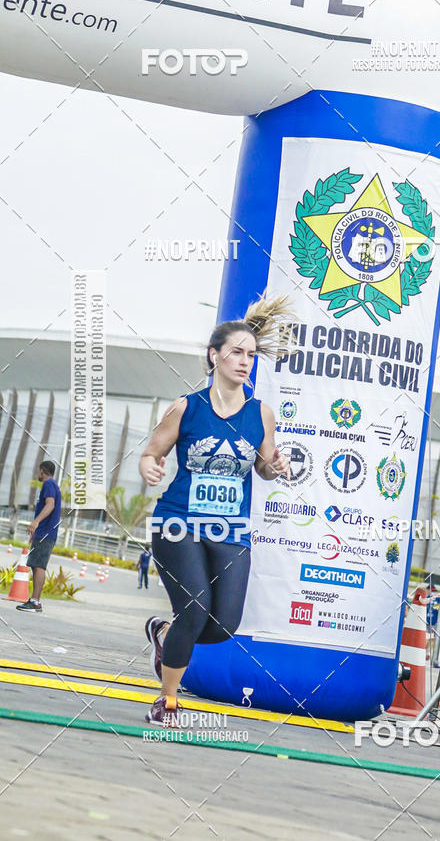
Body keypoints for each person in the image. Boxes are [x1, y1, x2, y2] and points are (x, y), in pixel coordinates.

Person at [139, 296, 294, 727]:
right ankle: (167, 701)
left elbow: (263, 467)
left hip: (231, 530)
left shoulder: (261, 413)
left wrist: (276, 464)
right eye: (236, 353)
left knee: (223, 625)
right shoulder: (186, 407)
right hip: (179, 524)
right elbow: (152, 452)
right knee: (193, 609)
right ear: (214, 356)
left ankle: (165, 634)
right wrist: (150, 465)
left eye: (251, 355)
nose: (245, 362)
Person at [17, 460, 62, 613]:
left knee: (39, 566)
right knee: (36, 565)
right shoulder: (52, 485)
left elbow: (50, 505)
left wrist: (35, 522)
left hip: (45, 533)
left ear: (42, 471)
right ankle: (34, 600)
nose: (38, 473)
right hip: (43, 533)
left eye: (39, 471)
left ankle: (35, 602)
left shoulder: (48, 484)